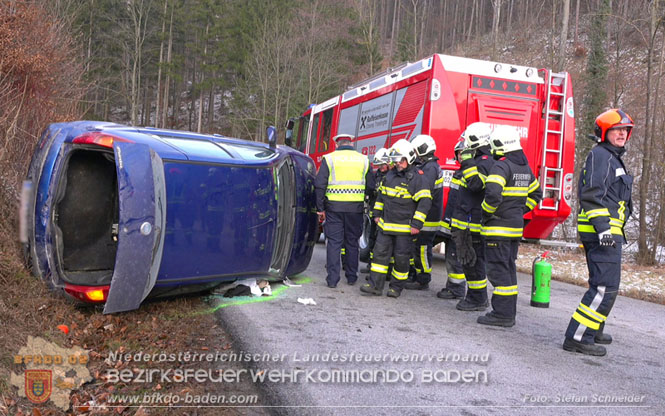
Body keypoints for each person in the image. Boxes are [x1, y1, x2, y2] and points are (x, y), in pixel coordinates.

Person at [563, 109, 634, 356]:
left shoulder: (612, 157)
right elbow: (593, 194)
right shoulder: (601, 155)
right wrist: (604, 228)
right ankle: (578, 336)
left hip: (608, 232)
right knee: (605, 287)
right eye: (617, 130)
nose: (622, 134)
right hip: (602, 233)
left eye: (625, 130)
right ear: (604, 132)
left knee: (604, 285)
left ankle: (593, 329)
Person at [478, 125, 542, 327]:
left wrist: (487, 213)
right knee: (508, 269)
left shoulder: (501, 166)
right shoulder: (524, 167)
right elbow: (536, 194)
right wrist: (519, 213)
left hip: (498, 229)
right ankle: (507, 313)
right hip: (514, 229)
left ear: (500, 146)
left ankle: (502, 314)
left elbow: (493, 194)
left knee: (498, 271)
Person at [360, 139, 431, 298]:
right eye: (396, 160)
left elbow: (425, 202)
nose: (397, 163)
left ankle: (396, 288)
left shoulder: (418, 178)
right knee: (379, 256)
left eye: (400, 160)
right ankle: (375, 286)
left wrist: (417, 224)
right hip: (385, 226)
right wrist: (376, 215)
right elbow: (380, 197)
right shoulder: (389, 176)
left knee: (401, 259)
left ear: (409, 158)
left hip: (404, 229)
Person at [315, 134, 374, 288]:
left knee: (334, 243)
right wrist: (364, 198)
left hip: (333, 208)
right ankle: (352, 276)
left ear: (337, 144)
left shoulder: (329, 159)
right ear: (351, 143)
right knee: (352, 242)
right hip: (355, 208)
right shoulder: (364, 159)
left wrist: (320, 208)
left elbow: (320, 184)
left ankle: (333, 280)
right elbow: (371, 185)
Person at [450, 122, 494, 311]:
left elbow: (476, 185)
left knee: (473, 262)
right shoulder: (479, 161)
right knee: (469, 262)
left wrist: (467, 162)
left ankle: (478, 299)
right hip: (466, 222)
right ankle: (475, 296)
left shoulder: (484, 163)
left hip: (473, 224)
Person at [405, 135, 444, 290]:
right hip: (428, 215)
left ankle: (423, 279)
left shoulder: (430, 168)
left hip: (428, 217)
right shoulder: (429, 166)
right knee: (418, 247)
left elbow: (423, 192)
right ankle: (416, 274)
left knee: (422, 248)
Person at [437, 139, 467, 300]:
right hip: (453, 222)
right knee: (451, 255)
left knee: (456, 257)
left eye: (464, 153)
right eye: (459, 153)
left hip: (461, 225)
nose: (461, 157)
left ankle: (457, 289)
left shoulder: (470, 174)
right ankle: (452, 286)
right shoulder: (459, 172)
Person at [362, 148, 392, 274]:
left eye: (383, 165)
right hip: (375, 212)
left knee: (384, 243)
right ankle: (371, 265)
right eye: (379, 165)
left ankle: (387, 269)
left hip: (388, 215)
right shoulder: (377, 175)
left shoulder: (392, 177)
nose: (381, 168)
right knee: (372, 239)